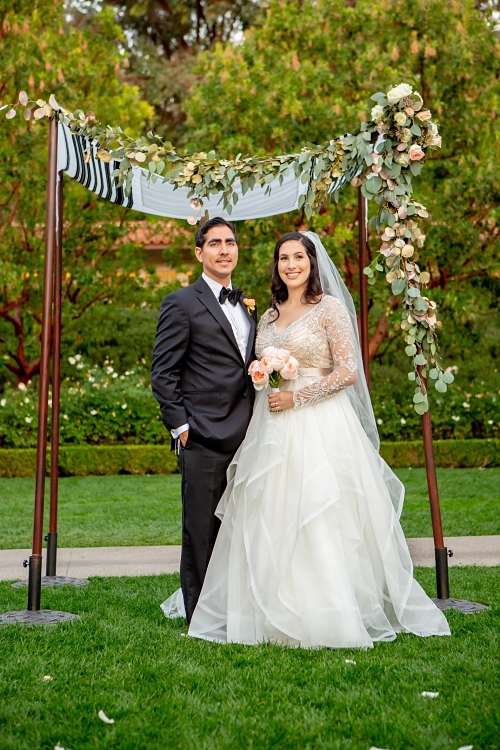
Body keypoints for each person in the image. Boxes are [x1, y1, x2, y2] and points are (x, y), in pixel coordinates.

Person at [181, 231, 451, 648]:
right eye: (283, 258)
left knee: (318, 512)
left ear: (312, 262)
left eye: (299, 257)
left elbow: (347, 372)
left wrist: (298, 395)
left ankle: (327, 609)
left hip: (320, 423)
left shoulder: (330, 309)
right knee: (269, 511)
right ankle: (264, 605)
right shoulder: (267, 316)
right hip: (270, 428)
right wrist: (263, 373)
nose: (291, 265)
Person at [151, 216, 257, 623]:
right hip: (201, 437)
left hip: (247, 433)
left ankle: (234, 603)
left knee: (237, 528)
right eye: (215, 243)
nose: (224, 250)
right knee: (199, 531)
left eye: (230, 242)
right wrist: (182, 427)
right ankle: (199, 615)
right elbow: (164, 373)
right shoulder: (180, 303)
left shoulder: (246, 304)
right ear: (199, 253)